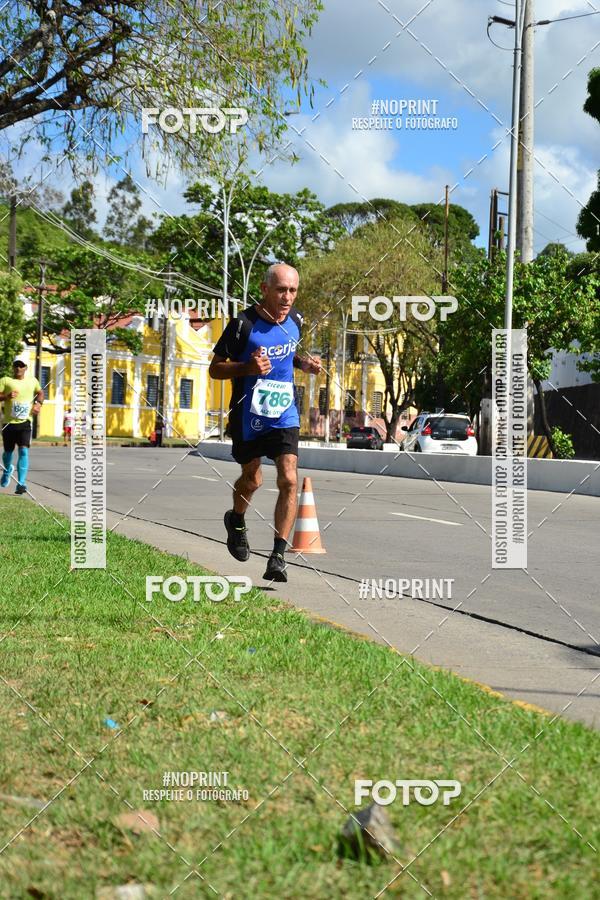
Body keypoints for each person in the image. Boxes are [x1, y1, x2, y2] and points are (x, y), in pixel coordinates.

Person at [209, 263, 320, 582]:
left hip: (284, 413)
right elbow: (215, 369)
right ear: (265, 289)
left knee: (288, 478)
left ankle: (278, 556)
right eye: (282, 290)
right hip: (248, 414)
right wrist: (246, 368)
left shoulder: (296, 320)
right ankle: (237, 520)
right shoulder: (243, 324)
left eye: (293, 290)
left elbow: (287, 357)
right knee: (253, 480)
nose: (288, 297)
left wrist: (305, 365)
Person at [0, 358, 44, 494]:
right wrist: (6, 396)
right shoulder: (6, 380)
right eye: (16, 365)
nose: (18, 368)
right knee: (8, 452)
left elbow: (41, 393)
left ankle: (21, 483)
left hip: (25, 422)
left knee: (23, 450)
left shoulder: (32, 381)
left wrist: (38, 404)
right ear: (13, 367)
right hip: (9, 423)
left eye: (21, 366)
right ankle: (7, 470)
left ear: (26, 367)